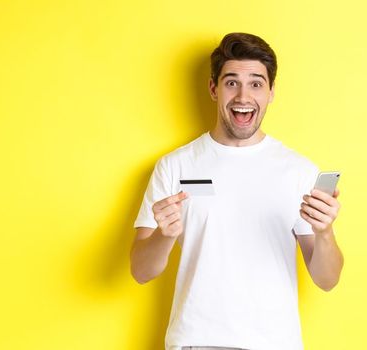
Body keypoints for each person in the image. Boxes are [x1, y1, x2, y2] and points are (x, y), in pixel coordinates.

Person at [130, 32, 344, 350]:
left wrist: (324, 232)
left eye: (256, 83)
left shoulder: (299, 171)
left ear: (271, 92)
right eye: (232, 82)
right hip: (196, 342)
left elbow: (327, 280)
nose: (243, 96)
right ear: (214, 88)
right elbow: (141, 271)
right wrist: (165, 235)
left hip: (275, 343)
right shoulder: (174, 166)